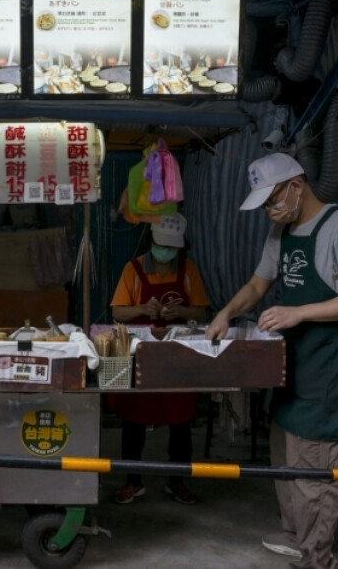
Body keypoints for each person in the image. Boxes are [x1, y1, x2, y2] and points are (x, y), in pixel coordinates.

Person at [205, 153, 338, 569]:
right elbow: (258, 284)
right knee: (286, 464)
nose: (271, 211)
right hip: (289, 368)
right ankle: (296, 535)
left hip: (326, 370)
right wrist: (226, 313)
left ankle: (317, 558)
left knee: (314, 476)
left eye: (274, 200)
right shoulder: (281, 230)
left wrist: (300, 312)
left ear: (297, 185)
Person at [109, 213, 209, 506]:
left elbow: (200, 312)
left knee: (181, 420)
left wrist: (179, 313)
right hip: (143, 354)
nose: (166, 253)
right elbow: (117, 312)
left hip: (178, 356)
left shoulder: (188, 270)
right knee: (134, 420)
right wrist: (142, 307)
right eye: (161, 246)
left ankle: (177, 481)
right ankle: (132, 480)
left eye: (172, 248)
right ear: (152, 242)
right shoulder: (134, 269)